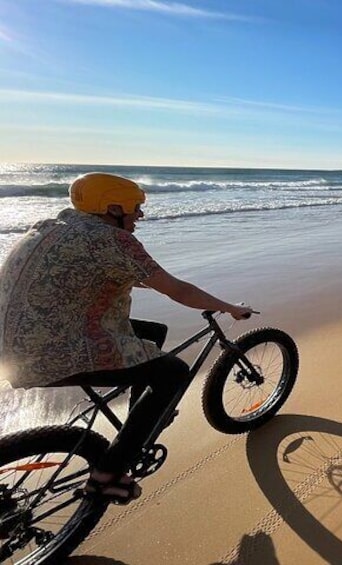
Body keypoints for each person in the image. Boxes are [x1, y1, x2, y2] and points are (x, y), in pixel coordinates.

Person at [0, 172, 253, 503]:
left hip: (14, 344)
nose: (140, 215)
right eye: (136, 207)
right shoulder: (111, 240)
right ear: (113, 207)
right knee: (173, 372)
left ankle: (141, 423)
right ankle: (107, 476)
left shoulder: (48, 227)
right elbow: (179, 290)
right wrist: (229, 307)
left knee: (153, 333)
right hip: (50, 350)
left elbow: (93, 272)